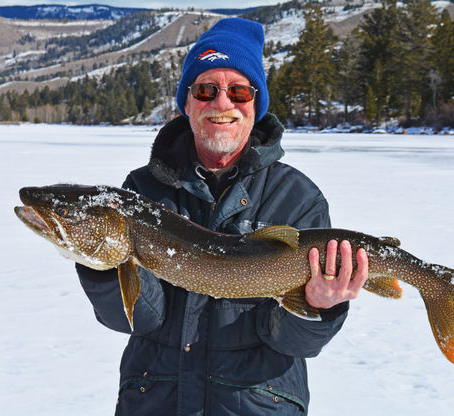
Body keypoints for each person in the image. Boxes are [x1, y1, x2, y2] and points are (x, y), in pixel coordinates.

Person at [76, 17, 368, 415]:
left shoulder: (297, 197)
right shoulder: (144, 190)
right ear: (186, 103)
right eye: (206, 90)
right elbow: (137, 320)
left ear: (256, 104)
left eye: (239, 91)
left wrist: (321, 306)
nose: (222, 104)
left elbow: (293, 344)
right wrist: (101, 264)